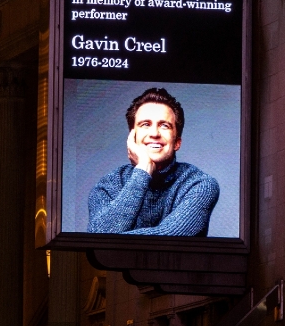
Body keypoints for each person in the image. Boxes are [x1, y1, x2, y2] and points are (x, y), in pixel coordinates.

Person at [87, 87, 219, 236]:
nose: (155, 133)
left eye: (164, 125)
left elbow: (168, 240)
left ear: (177, 142)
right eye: (145, 124)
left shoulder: (200, 184)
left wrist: (115, 242)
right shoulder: (108, 186)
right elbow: (99, 237)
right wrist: (143, 171)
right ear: (132, 138)